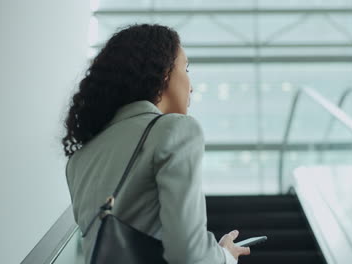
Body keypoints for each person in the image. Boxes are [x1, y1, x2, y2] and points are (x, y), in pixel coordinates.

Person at [61, 24, 250, 264]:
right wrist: (224, 256)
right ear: (164, 73)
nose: (192, 86)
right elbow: (189, 255)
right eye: (186, 69)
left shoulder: (79, 160)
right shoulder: (176, 130)